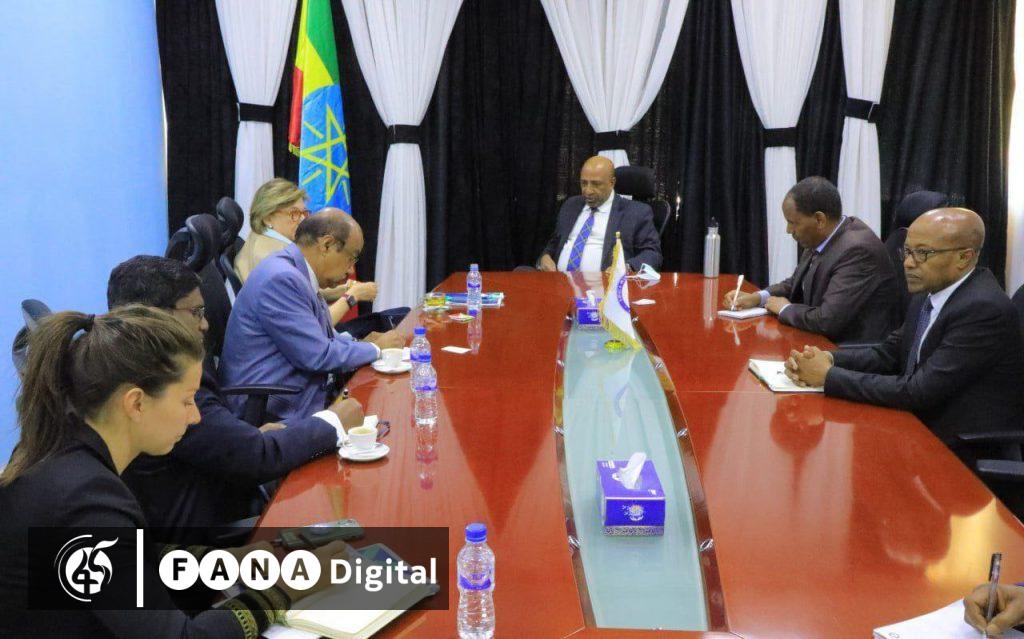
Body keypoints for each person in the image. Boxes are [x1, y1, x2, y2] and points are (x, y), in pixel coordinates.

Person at [0, 305, 350, 639]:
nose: (195, 417)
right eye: (186, 400)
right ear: (136, 403)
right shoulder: (85, 498)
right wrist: (285, 590)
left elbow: (130, 558)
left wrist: (229, 562)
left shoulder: (62, 450)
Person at [106, 255, 364, 535]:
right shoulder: (163, 385)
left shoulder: (124, 364)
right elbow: (256, 458)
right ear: (159, 316)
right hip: (211, 528)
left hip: (216, 483)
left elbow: (219, 443)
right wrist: (334, 422)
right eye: (196, 312)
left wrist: (244, 437)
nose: (205, 324)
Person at [785, 208, 1024, 463]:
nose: (908, 263)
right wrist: (827, 359)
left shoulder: (982, 309)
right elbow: (888, 354)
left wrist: (828, 376)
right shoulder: (930, 291)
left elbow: (918, 392)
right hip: (917, 426)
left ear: (964, 257)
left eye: (923, 253)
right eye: (907, 251)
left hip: (959, 450)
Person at [220, 209, 404, 422]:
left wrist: (360, 343)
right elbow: (318, 355)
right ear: (326, 245)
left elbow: (322, 337)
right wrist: (376, 349)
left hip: (293, 389)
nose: (350, 269)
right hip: (274, 408)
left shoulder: (295, 270)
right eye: (351, 258)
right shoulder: (282, 279)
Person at [724, 176, 898, 344]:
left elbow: (828, 320)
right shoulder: (821, 236)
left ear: (819, 219)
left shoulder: (857, 250)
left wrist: (785, 309)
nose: (788, 230)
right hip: (819, 342)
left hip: (848, 349)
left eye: (793, 223)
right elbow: (796, 283)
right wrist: (757, 298)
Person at [233, 178, 378, 316]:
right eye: (294, 214)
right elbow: (313, 323)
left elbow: (307, 291)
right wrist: (352, 296)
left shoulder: (259, 237)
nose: (302, 220)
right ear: (267, 217)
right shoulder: (275, 259)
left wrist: (345, 289)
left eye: (304, 213)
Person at [538, 156, 662, 272]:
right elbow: (555, 242)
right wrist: (545, 256)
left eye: (596, 184)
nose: (588, 190)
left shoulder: (636, 212)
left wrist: (626, 268)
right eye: (584, 183)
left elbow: (652, 254)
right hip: (559, 281)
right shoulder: (571, 205)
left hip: (605, 285)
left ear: (612, 183)